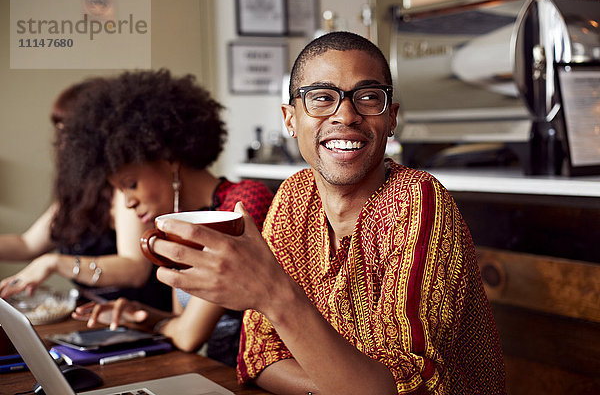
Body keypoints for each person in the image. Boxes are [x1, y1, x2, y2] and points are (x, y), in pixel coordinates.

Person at [148, 31, 506, 394]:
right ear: (290, 119)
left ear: (391, 117)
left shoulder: (418, 202)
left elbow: (404, 387)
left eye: (368, 97)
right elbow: (258, 358)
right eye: (321, 98)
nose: (346, 115)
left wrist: (276, 295)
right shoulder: (294, 196)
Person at [66, 69, 274, 367]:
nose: (127, 202)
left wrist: (161, 326)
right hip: (212, 371)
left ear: (169, 161)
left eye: (131, 183)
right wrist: (142, 316)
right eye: (119, 190)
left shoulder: (242, 203)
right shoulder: (177, 223)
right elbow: (181, 322)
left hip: (251, 379)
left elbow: (189, 336)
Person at [0, 80, 171, 311]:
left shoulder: (125, 192)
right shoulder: (79, 191)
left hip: (140, 319)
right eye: (58, 130)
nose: (62, 143)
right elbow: (27, 244)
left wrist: (54, 263)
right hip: (96, 314)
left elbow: (134, 269)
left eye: (68, 131)